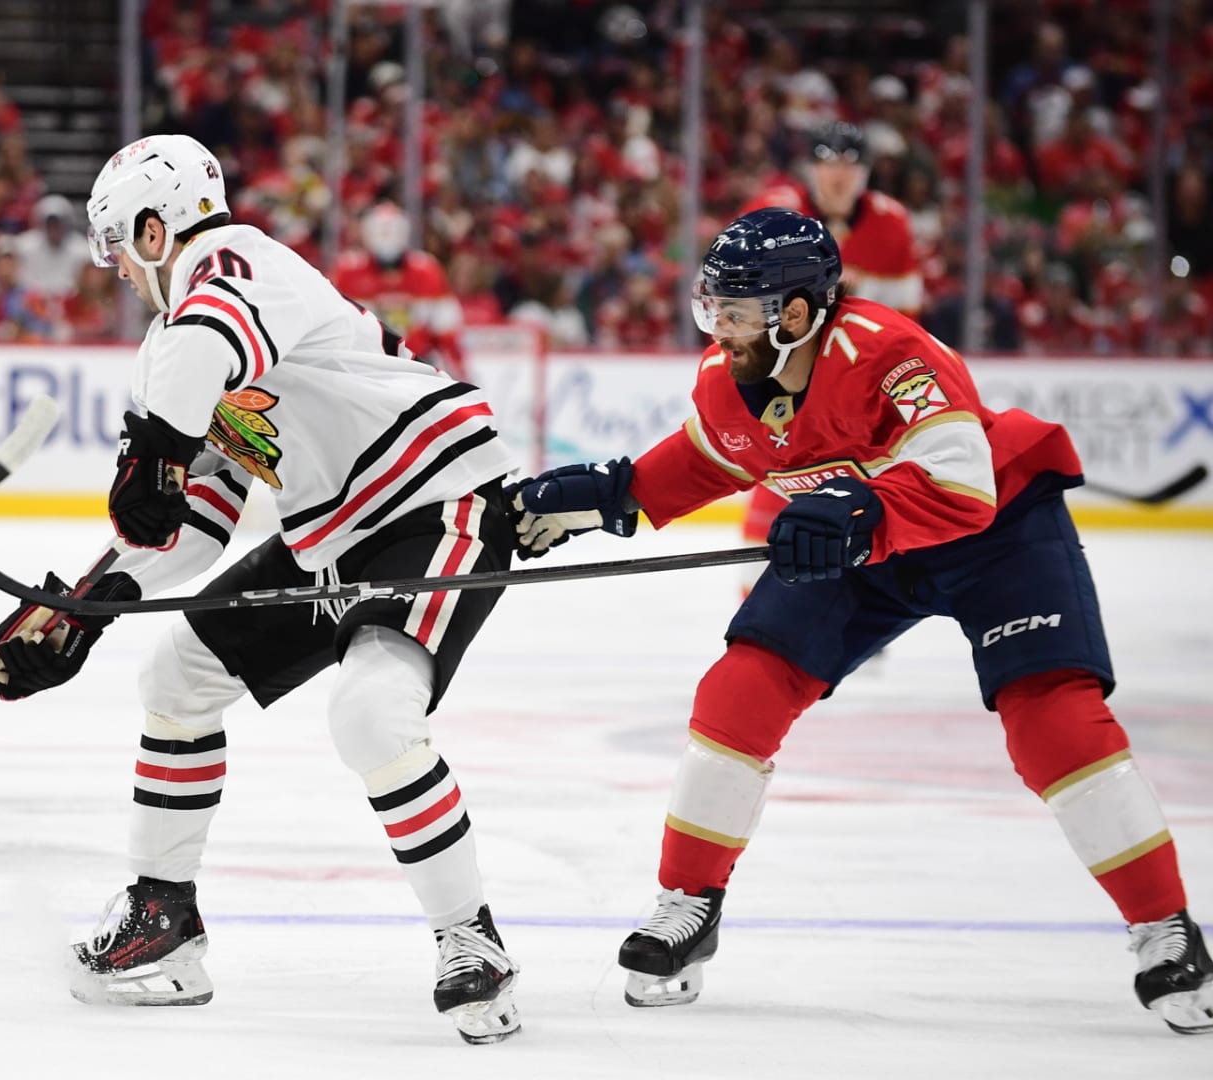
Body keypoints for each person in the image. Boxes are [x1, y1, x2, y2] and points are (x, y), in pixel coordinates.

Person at [509, 207, 1211, 1035]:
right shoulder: (730, 376)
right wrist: (605, 497)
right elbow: (706, 458)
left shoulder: (891, 354)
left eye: (736, 312)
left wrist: (859, 506)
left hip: (995, 534)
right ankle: (689, 902)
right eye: (713, 309)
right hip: (863, 542)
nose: (719, 329)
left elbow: (962, 483)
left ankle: (1165, 927)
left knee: (1051, 719)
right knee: (739, 693)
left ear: (796, 312)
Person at [0, 135, 523, 1044]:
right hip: (330, 533)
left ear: (155, 230)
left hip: (435, 499)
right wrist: (88, 604)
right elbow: (195, 522)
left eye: (119, 246)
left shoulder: (237, 263)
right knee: (177, 675)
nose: (118, 271)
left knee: (371, 715)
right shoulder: (171, 348)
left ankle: (472, 940)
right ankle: (163, 919)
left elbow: (207, 341)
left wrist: (159, 444)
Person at [738, 121, 923, 554]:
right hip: (783, 379)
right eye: (828, 164)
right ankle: (759, 583)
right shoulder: (773, 213)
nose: (838, 176)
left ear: (865, 173)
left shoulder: (891, 222)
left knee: (859, 494)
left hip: (856, 382)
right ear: (810, 169)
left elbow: (907, 317)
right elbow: (735, 304)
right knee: (779, 479)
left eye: (849, 166)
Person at [333, 201, 468, 379]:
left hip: (417, 366)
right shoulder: (349, 271)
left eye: (393, 232)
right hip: (366, 368)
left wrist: (460, 373)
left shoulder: (426, 270)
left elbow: (446, 329)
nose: (388, 238)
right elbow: (336, 327)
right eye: (382, 232)